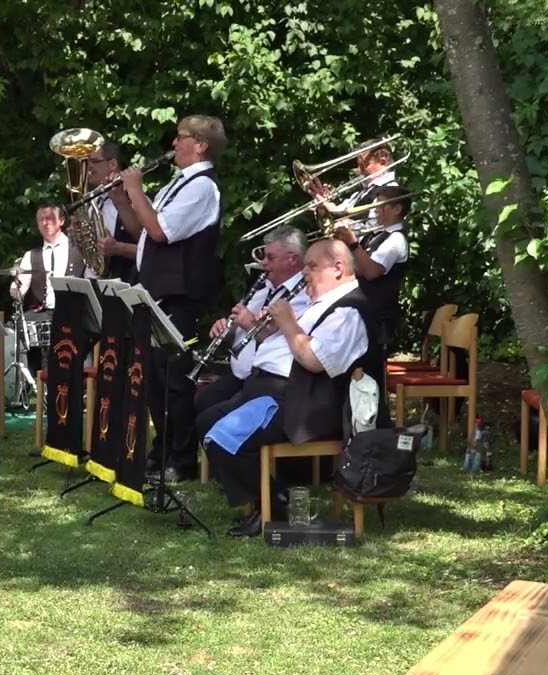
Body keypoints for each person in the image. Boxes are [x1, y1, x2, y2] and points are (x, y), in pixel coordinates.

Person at [197, 239, 371, 537]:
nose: (304, 273)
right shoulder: (321, 303)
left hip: (298, 399)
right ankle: (274, 498)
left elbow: (314, 360)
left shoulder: (349, 310)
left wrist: (288, 322)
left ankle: (273, 506)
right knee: (205, 420)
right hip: (268, 388)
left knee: (222, 438)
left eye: (312, 266)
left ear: (338, 268)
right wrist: (268, 327)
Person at [118, 114, 226, 483]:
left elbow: (161, 232)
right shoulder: (178, 185)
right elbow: (143, 230)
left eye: (181, 138)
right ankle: (161, 449)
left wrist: (134, 187)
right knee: (153, 377)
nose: (174, 144)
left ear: (201, 145)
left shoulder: (201, 188)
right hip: (157, 291)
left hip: (181, 295)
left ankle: (182, 459)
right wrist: (121, 196)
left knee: (175, 379)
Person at [196, 225, 309, 416]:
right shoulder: (262, 289)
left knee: (212, 416)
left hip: (267, 379)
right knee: (204, 401)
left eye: (270, 257)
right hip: (240, 375)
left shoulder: (303, 295)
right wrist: (226, 330)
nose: (263, 263)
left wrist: (249, 323)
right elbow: (239, 331)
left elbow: (282, 344)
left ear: (293, 259)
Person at [339, 185, 411, 392]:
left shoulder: (396, 240)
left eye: (381, 206)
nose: (376, 211)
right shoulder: (377, 236)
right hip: (365, 316)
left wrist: (353, 244)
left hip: (377, 319)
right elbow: (359, 268)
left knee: (369, 379)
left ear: (397, 209)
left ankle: (375, 421)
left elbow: (371, 272)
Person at [9, 203, 90, 374]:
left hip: (73, 313)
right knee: (14, 327)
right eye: (41, 220)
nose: (45, 223)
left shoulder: (79, 250)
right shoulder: (31, 255)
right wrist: (16, 287)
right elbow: (20, 288)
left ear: (61, 221)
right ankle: (32, 383)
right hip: (43, 313)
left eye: (49, 218)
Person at [306, 138, 398, 227]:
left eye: (363, 165)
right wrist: (322, 206)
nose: (358, 170)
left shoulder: (390, 192)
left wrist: (333, 212)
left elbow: (371, 231)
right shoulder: (362, 192)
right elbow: (333, 217)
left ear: (382, 162)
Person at [86, 140, 141, 282]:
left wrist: (117, 248)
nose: (88, 167)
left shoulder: (136, 199)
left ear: (112, 164)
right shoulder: (93, 199)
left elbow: (149, 250)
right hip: (91, 282)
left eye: (94, 161)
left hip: (121, 286)